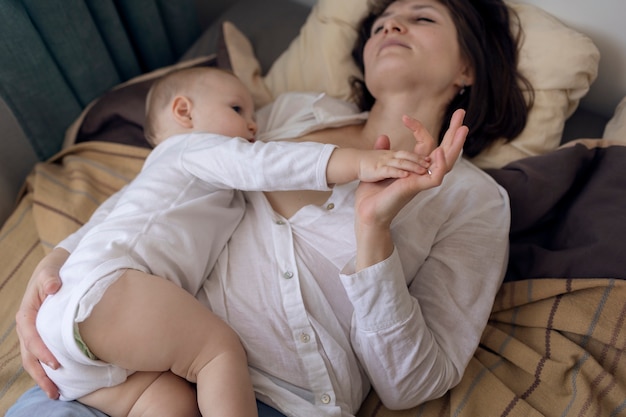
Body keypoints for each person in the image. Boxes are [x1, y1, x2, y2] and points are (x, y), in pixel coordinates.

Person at [10, 0, 532, 416]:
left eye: (420, 17)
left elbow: (413, 383)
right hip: (121, 366)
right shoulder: (282, 113)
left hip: (272, 399)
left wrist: (374, 233)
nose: (391, 26)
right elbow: (166, 180)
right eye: (381, 23)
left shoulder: (475, 200)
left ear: (467, 65)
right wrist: (61, 261)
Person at [25, 66, 432, 417]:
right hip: (110, 292)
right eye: (238, 110)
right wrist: (360, 161)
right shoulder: (194, 147)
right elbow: (267, 164)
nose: (253, 125)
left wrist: (53, 262)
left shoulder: (150, 177)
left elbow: (95, 225)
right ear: (184, 112)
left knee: (171, 404)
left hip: (70, 338)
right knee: (218, 352)